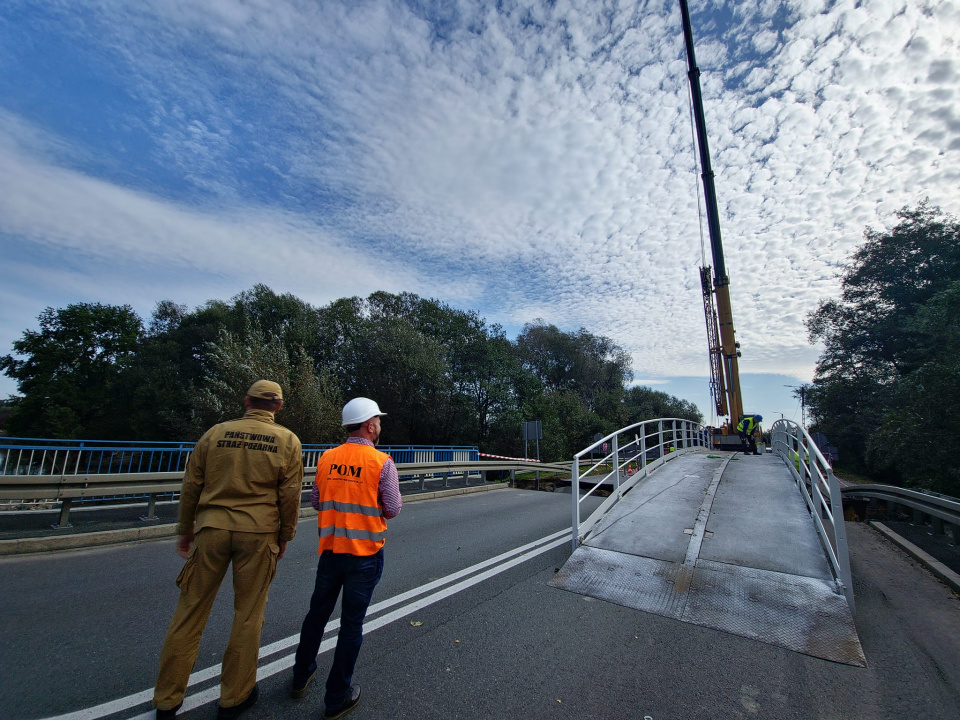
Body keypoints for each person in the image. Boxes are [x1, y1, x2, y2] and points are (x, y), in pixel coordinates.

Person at [153, 380, 303, 720]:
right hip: (259, 533)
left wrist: (185, 531)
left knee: (189, 612)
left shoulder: (215, 433)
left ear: (247, 401)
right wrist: (285, 536)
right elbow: (290, 495)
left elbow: (192, 484)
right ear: (278, 407)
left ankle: (167, 699)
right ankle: (235, 697)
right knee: (248, 615)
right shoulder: (287, 441)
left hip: (211, 530)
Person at [290, 397, 402, 720]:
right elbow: (392, 509)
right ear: (369, 426)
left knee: (316, 616)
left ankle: (301, 676)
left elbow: (315, 501)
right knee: (351, 625)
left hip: (330, 551)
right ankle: (336, 698)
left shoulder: (326, 458)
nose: (380, 426)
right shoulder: (382, 463)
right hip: (364, 556)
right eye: (378, 421)